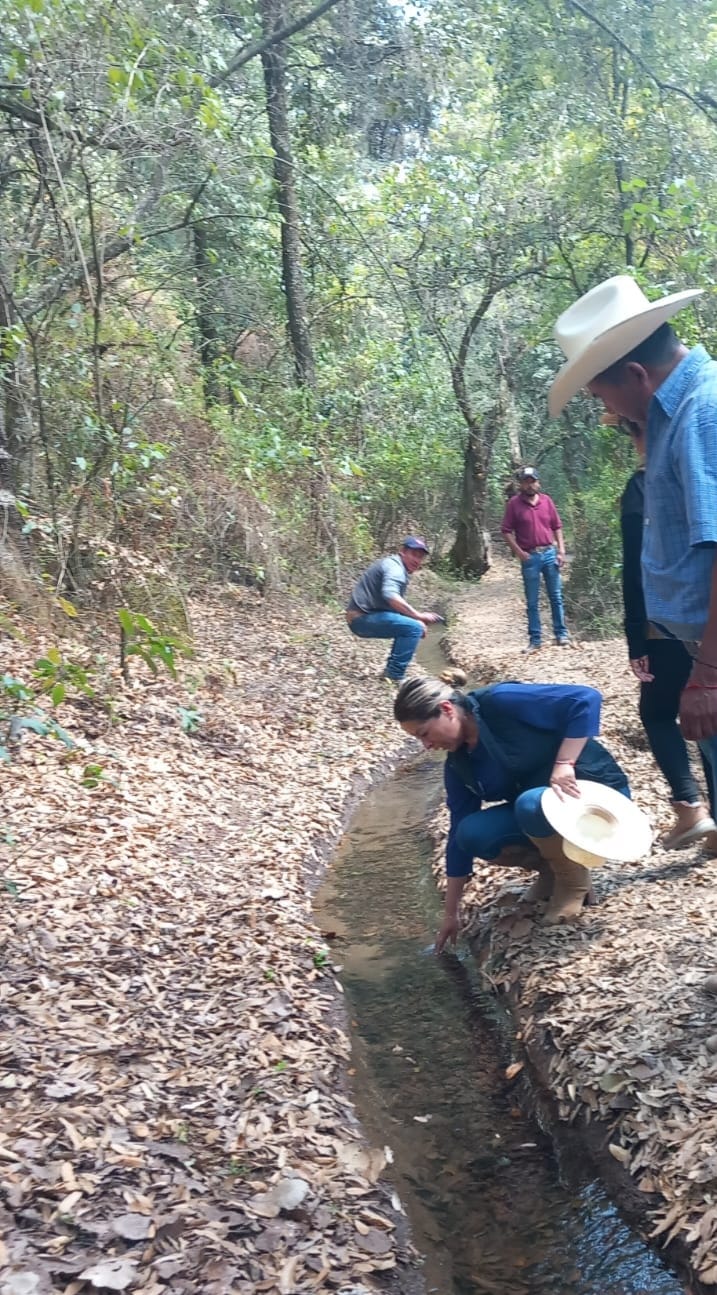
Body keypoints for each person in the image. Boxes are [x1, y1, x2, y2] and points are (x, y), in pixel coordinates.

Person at [548, 274, 717, 805]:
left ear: (637, 374)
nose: (610, 413)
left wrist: (707, 674)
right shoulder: (671, 415)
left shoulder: (700, 413)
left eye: (604, 396)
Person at [394, 669, 630, 951]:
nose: (427, 746)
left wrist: (564, 763)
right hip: (541, 814)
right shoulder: (459, 764)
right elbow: (458, 832)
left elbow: (585, 699)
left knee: (530, 803)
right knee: (471, 833)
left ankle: (572, 882)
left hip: (594, 797)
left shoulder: (501, 701)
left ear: (447, 710)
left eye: (425, 734)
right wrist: (451, 913)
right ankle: (552, 869)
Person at [618, 418, 715, 847]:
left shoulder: (644, 488)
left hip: (669, 625)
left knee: (658, 713)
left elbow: (639, 570)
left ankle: (689, 808)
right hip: (702, 620)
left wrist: (636, 637)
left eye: (633, 430)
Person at [346, 537, 442, 682]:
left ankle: (391, 672)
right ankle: (395, 676)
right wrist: (419, 617)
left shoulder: (394, 565)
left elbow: (390, 603)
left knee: (414, 625)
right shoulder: (395, 568)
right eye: (414, 554)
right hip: (361, 618)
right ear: (403, 552)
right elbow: (391, 596)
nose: (417, 560)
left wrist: (415, 619)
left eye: (420, 557)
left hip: (365, 615)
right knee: (414, 628)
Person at [500, 467, 570, 653]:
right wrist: (519, 552)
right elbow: (506, 530)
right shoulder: (514, 504)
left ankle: (561, 634)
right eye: (526, 481)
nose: (530, 485)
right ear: (521, 484)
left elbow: (557, 526)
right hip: (530, 556)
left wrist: (561, 550)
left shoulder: (547, 501)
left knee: (556, 596)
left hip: (549, 553)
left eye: (532, 481)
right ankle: (535, 639)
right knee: (532, 601)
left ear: (538, 482)